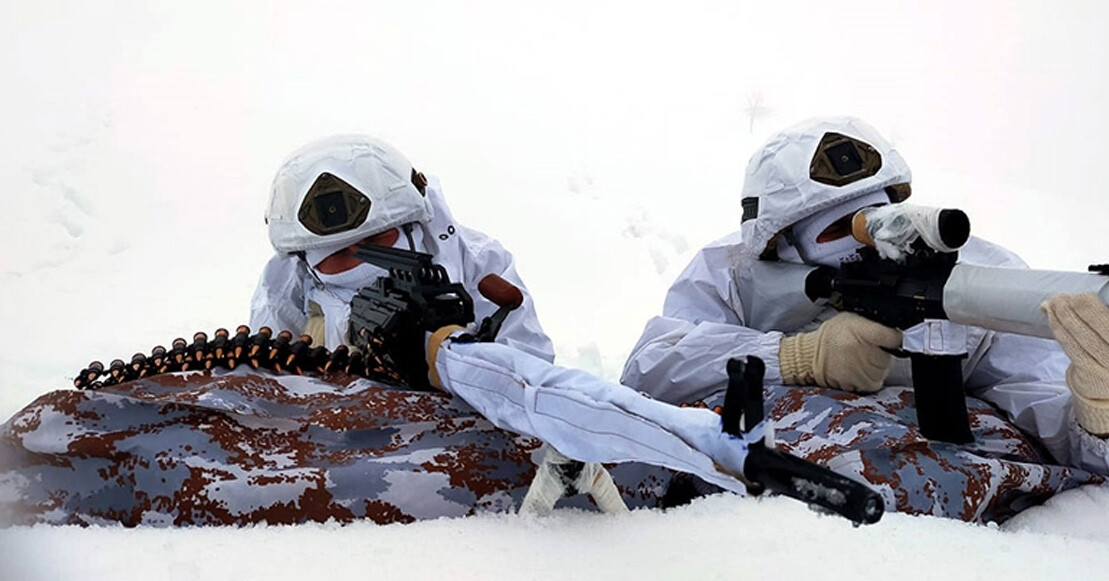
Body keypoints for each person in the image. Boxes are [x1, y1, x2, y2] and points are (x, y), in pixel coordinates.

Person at [620, 117, 1109, 519]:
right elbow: (648, 372)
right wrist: (796, 357)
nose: (869, 241)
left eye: (879, 216)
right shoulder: (732, 270)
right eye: (839, 230)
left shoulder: (978, 276)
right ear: (781, 246)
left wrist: (1107, 409)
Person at [249, 135, 777, 516]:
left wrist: (454, 354)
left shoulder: (477, 264)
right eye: (333, 258)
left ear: (413, 227)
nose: (354, 265)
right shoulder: (288, 285)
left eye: (377, 244)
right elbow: (269, 407)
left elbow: (529, 378)